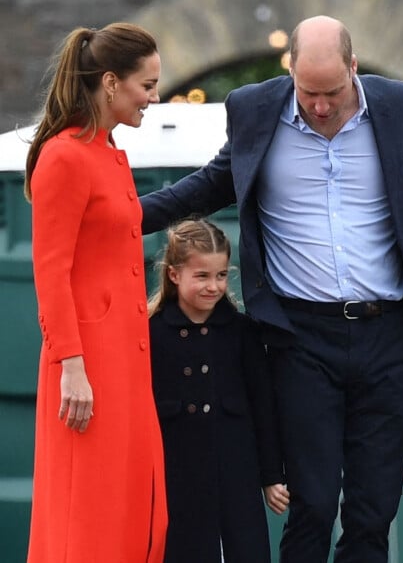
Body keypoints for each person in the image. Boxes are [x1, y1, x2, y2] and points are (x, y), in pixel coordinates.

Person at [140, 15, 403, 563]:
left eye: (332, 91)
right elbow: (213, 183)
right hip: (301, 338)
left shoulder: (398, 106)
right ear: (290, 73)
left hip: (387, 336)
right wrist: (123, 215)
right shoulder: (254, 109)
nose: (321, 105)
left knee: (373, 509)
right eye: (308, 92)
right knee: (311, 504)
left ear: (354, 69)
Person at [24, 23, 167, 562]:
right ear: (110, 82)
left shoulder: (108, 152)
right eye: (146, 85)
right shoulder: (64, 156)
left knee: (132, 506)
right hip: (85, 367)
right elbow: (50, 271)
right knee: (86, 509)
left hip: (125, 363)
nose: (154, 97)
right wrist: (72, 366)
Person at [147, 219, 289, 563]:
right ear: (174, 275)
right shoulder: (150, 334)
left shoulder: (242, 332)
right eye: (202, 276)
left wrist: (272, 476)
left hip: (235, 469)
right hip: (175, 475)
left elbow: (263, 405)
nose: (214, 286)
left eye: (222, 275)